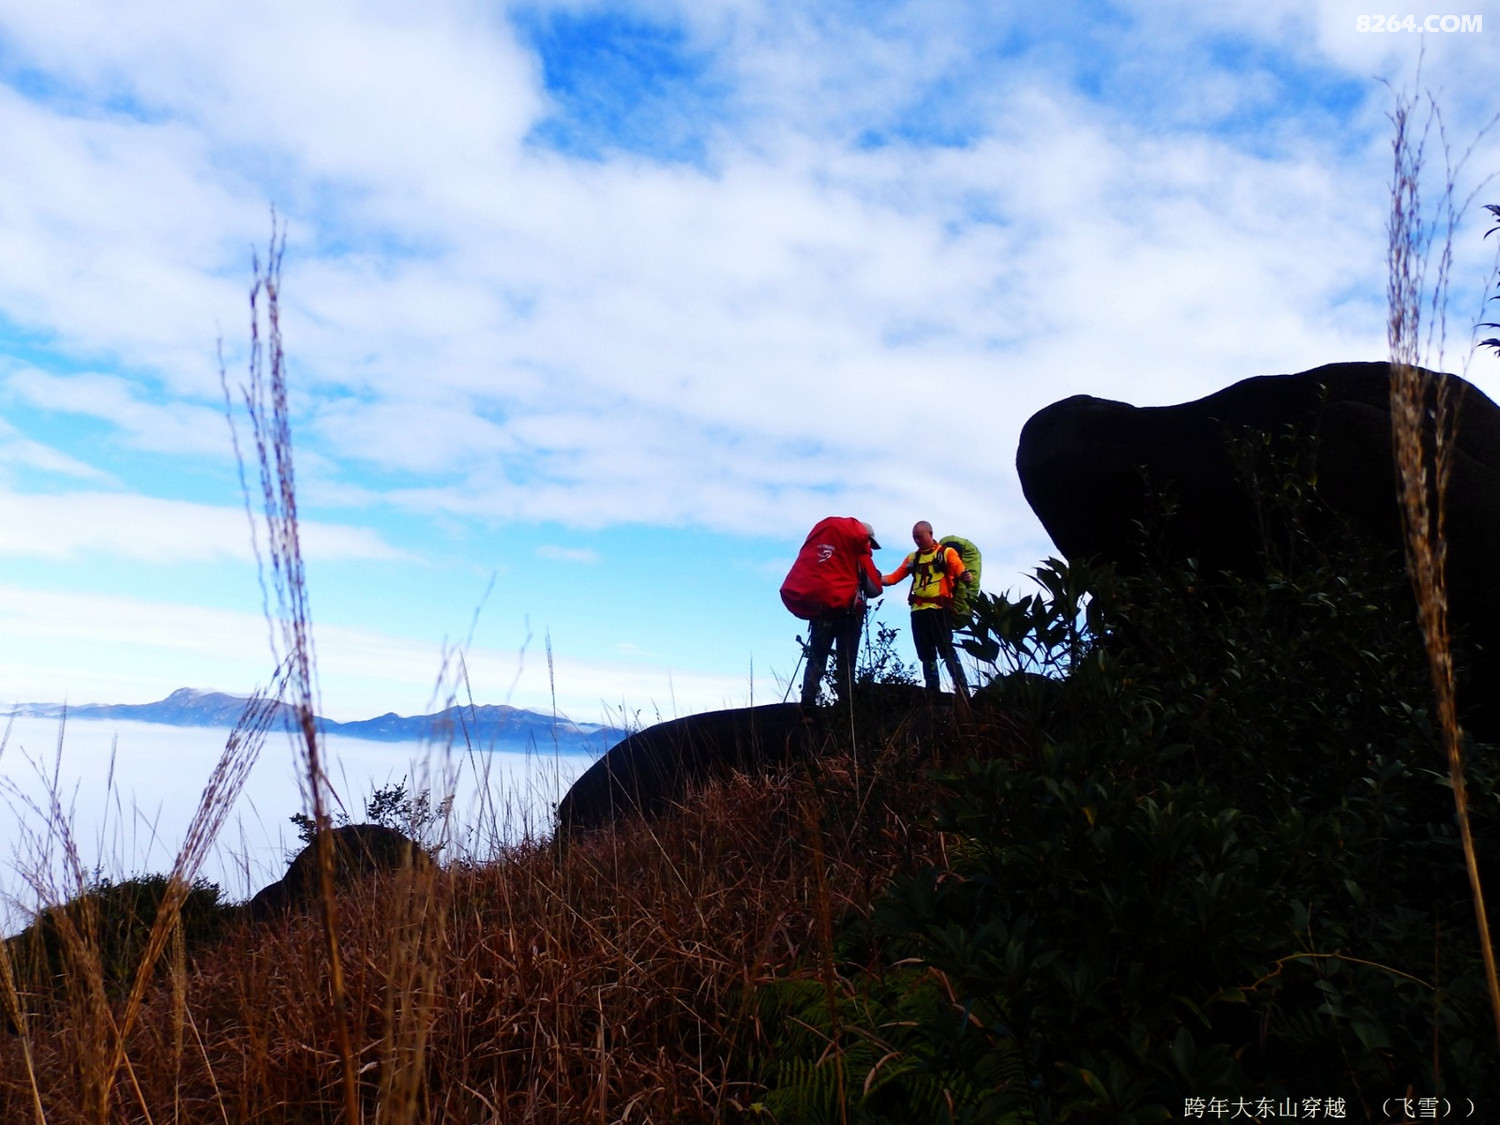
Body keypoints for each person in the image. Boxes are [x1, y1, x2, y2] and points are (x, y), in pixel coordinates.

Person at [780, 517, 883, 708]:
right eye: (870, 542)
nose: (870, 547)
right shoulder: (860, 555)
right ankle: (845, 708)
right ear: (864, 538)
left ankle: (808, 707)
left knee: (817, 658)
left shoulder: (831, 554)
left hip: (822, 612)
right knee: (846, 662)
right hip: (849, 615)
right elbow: (874, 589)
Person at [882, 521, 972, 700]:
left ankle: (961, 689)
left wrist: (964, 574)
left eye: (920, 537)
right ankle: (932, 691)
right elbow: (893, 578)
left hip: (940, 609)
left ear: (930, 534)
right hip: (918, 610)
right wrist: (874, 580)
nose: (917, 541)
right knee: (925, 652)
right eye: (914, 537)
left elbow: (957, 566)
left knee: (946, 649)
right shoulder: (912, 558)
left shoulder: (946, 553)